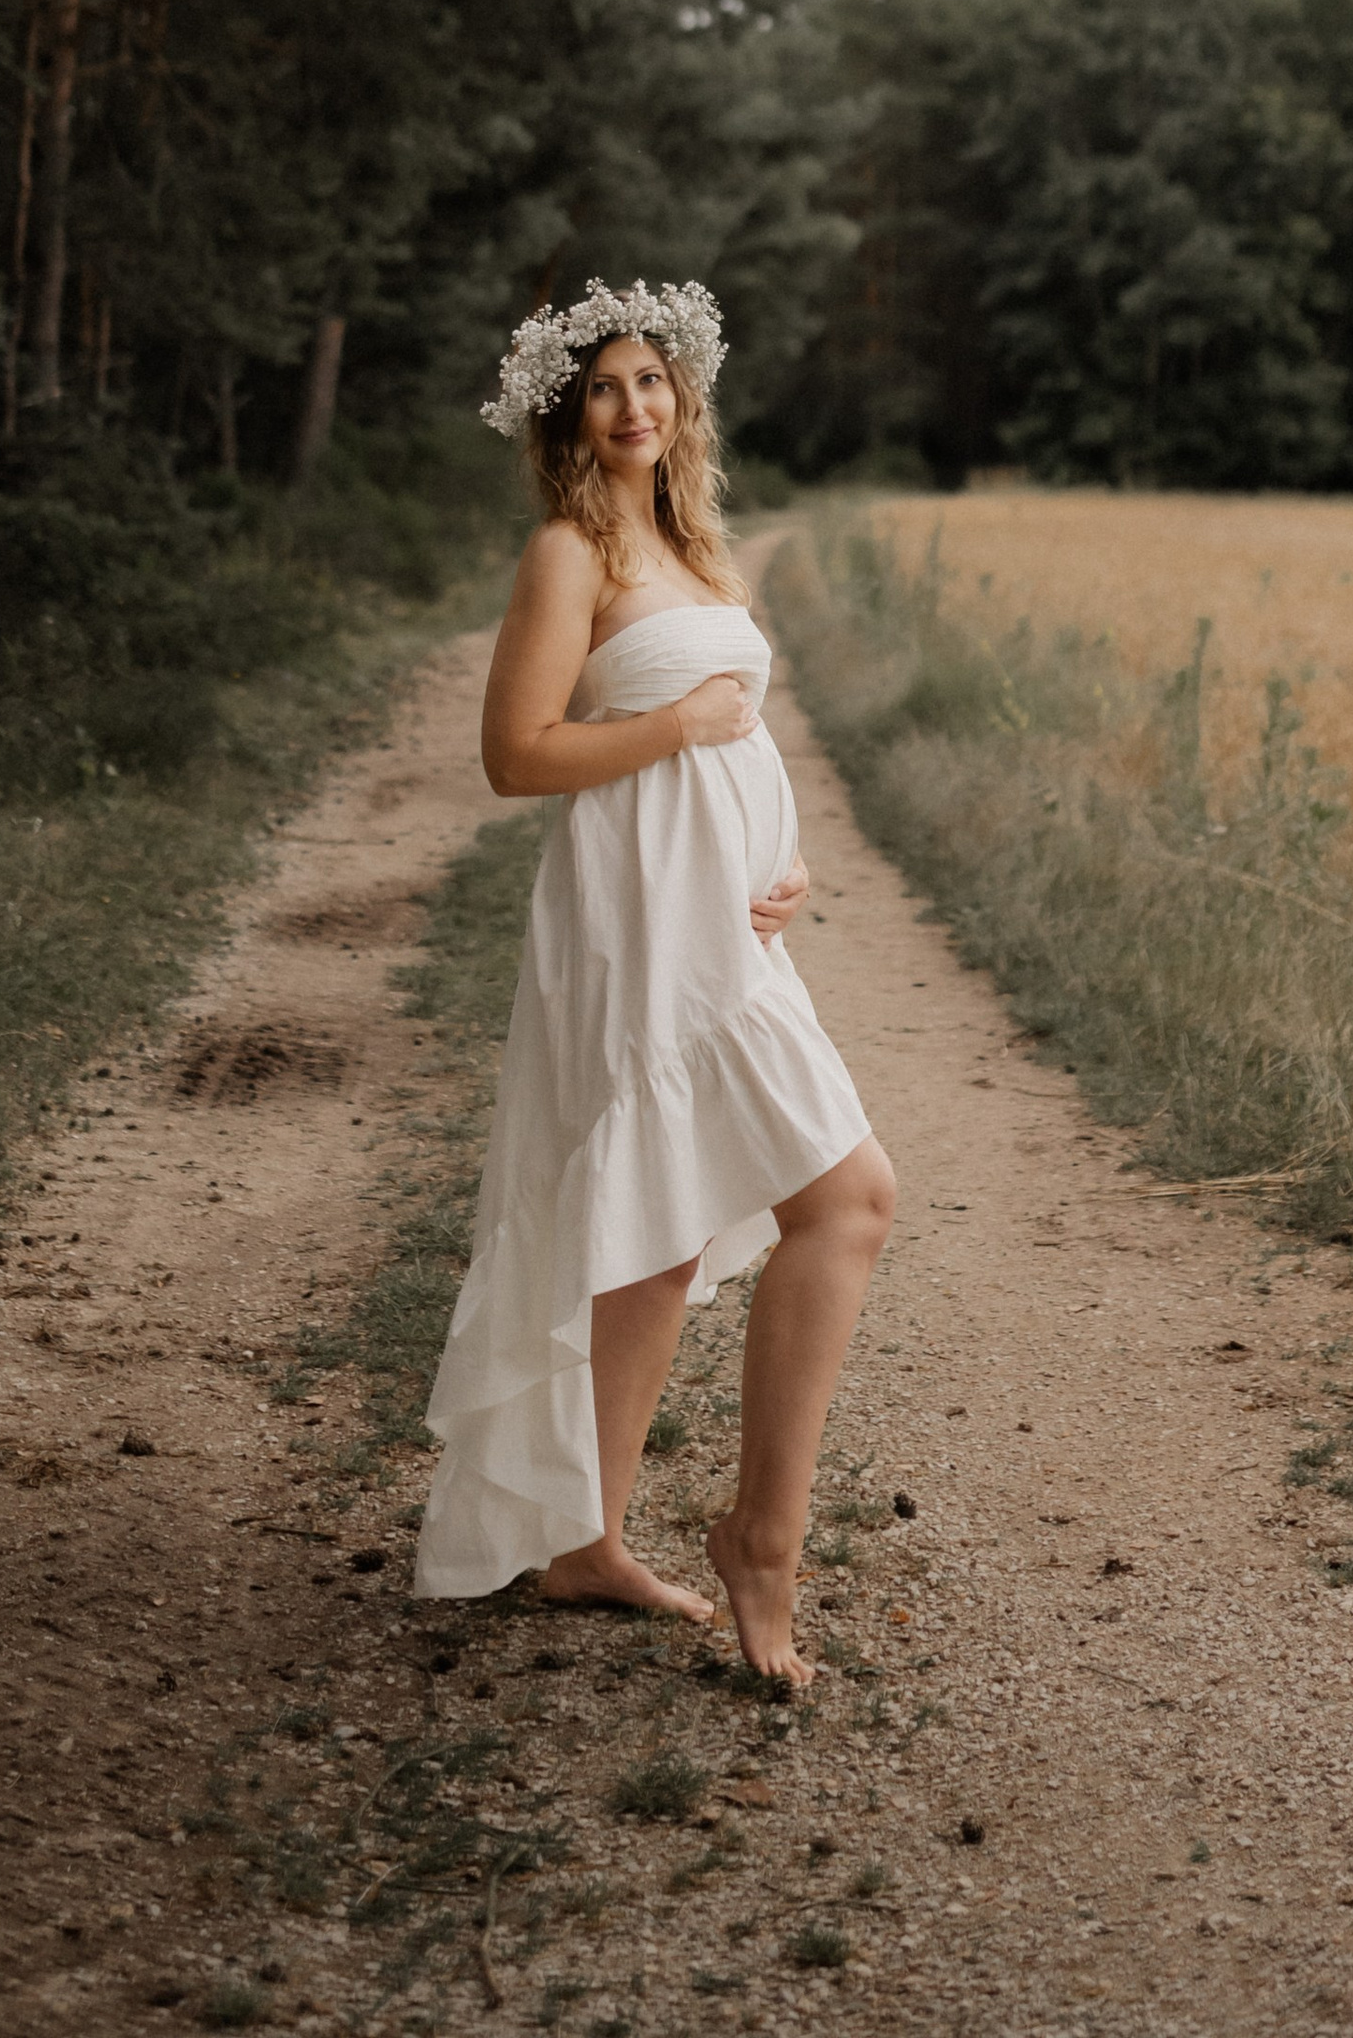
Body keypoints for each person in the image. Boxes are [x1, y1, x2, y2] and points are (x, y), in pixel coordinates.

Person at [413, 278, 896, 1682]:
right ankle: (763, 1541)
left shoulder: (692, 543)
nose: (634, 405)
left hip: (730, 923)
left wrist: (786, 858)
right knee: (849, 1199)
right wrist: (678, 720)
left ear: (682, 397)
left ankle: (586, 1542)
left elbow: (741, 737)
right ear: (568, 416)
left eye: (652, 380)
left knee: (661, 1232)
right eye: (605, 387)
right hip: (637, 919)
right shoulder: (568, 553)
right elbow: (517, 756)